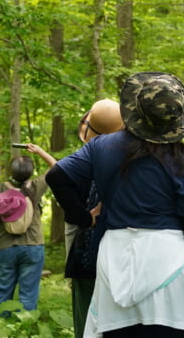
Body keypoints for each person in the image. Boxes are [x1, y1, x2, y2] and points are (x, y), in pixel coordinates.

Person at [46, 72, 184, 338]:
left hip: (115, 259)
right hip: (170, 263)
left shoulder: (101, 146)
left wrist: (83, 218)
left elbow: (56, 176)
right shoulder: (178, 158)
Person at [61, 99, 124, 338]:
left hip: (88, 256)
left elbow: (58, 181)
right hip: (119, 256)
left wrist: (85, 220)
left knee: (85, 322)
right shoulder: (126, 161)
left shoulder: (80, 163)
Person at [0, 152, 49, 312]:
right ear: (30, 171)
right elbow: (57, 167)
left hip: (5, 246)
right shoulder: (36, 186)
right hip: (33, 245)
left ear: (10, 172)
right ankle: (24, 330)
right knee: (28, 295)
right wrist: (39, 151)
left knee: (2, 293)